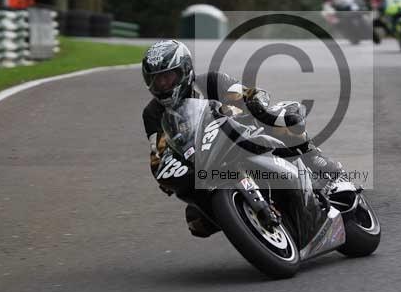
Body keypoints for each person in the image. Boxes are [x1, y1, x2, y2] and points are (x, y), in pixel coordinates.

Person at [141, 39, 345, 237]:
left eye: (168, 77)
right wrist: (164, 170)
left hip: (246, 136)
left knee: (285, 120)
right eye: (157, 80)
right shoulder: (152, 113)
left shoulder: (211, 81)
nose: (163, 84)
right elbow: (158, 150)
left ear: (184, 70)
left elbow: (247, 94)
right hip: (206, 162)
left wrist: (254, 104)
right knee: (196, 222)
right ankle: (247, 222)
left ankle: (318, 162)